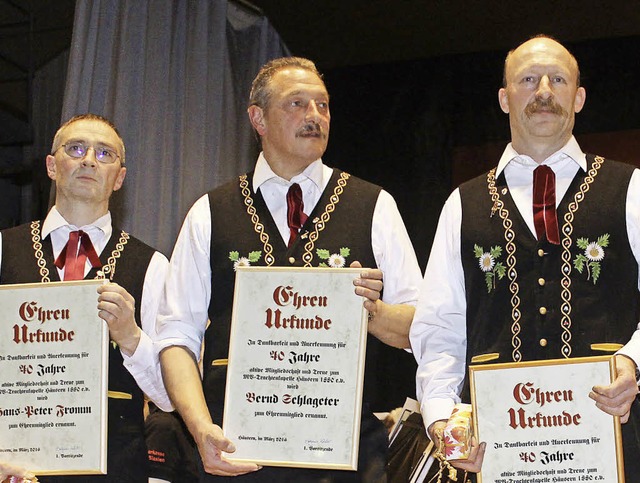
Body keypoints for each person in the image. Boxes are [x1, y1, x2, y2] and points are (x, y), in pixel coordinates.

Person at [156, 56, 422, 481]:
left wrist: (373, 313)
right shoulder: (210, 212)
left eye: (323, 105)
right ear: (257, 118)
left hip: (346, 458)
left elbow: (421, 327)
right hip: (237, 457)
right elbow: (175, 337)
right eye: (296, 104)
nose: (314, 116)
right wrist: (200, 427)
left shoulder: (373, 205)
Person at [410, 34, 640, 479]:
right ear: (503, 98)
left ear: (579, 98)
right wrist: (441, 419)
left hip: (612, 443)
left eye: (558, 79)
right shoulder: (463, 203)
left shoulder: (630, 189)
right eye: (528, 79)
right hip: (499, 446)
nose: (544, 92)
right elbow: (439, 328)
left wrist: (633, 362)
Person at [0, 113, 173, 482]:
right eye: (75, 148)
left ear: (120, 178)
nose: (89, 160)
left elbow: (170, 398)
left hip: (117, 468)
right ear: (51, 165)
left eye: (105, 153)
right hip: (15, 465)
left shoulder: (152, 265)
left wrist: (131, 338)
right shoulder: (2, 249)